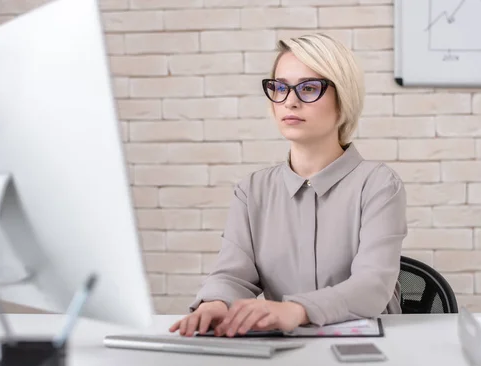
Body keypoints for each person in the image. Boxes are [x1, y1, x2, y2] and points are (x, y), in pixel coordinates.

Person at [169, 33, 408, 338]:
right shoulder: (251, 190)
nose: (290, 101)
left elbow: (372, 286)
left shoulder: (378, 185)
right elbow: (232, 275)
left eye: (308, 88)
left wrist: (295, 310)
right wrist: (214, 303)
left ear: (343, 98)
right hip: (286, 350)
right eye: (280, 88)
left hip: (373, 349)